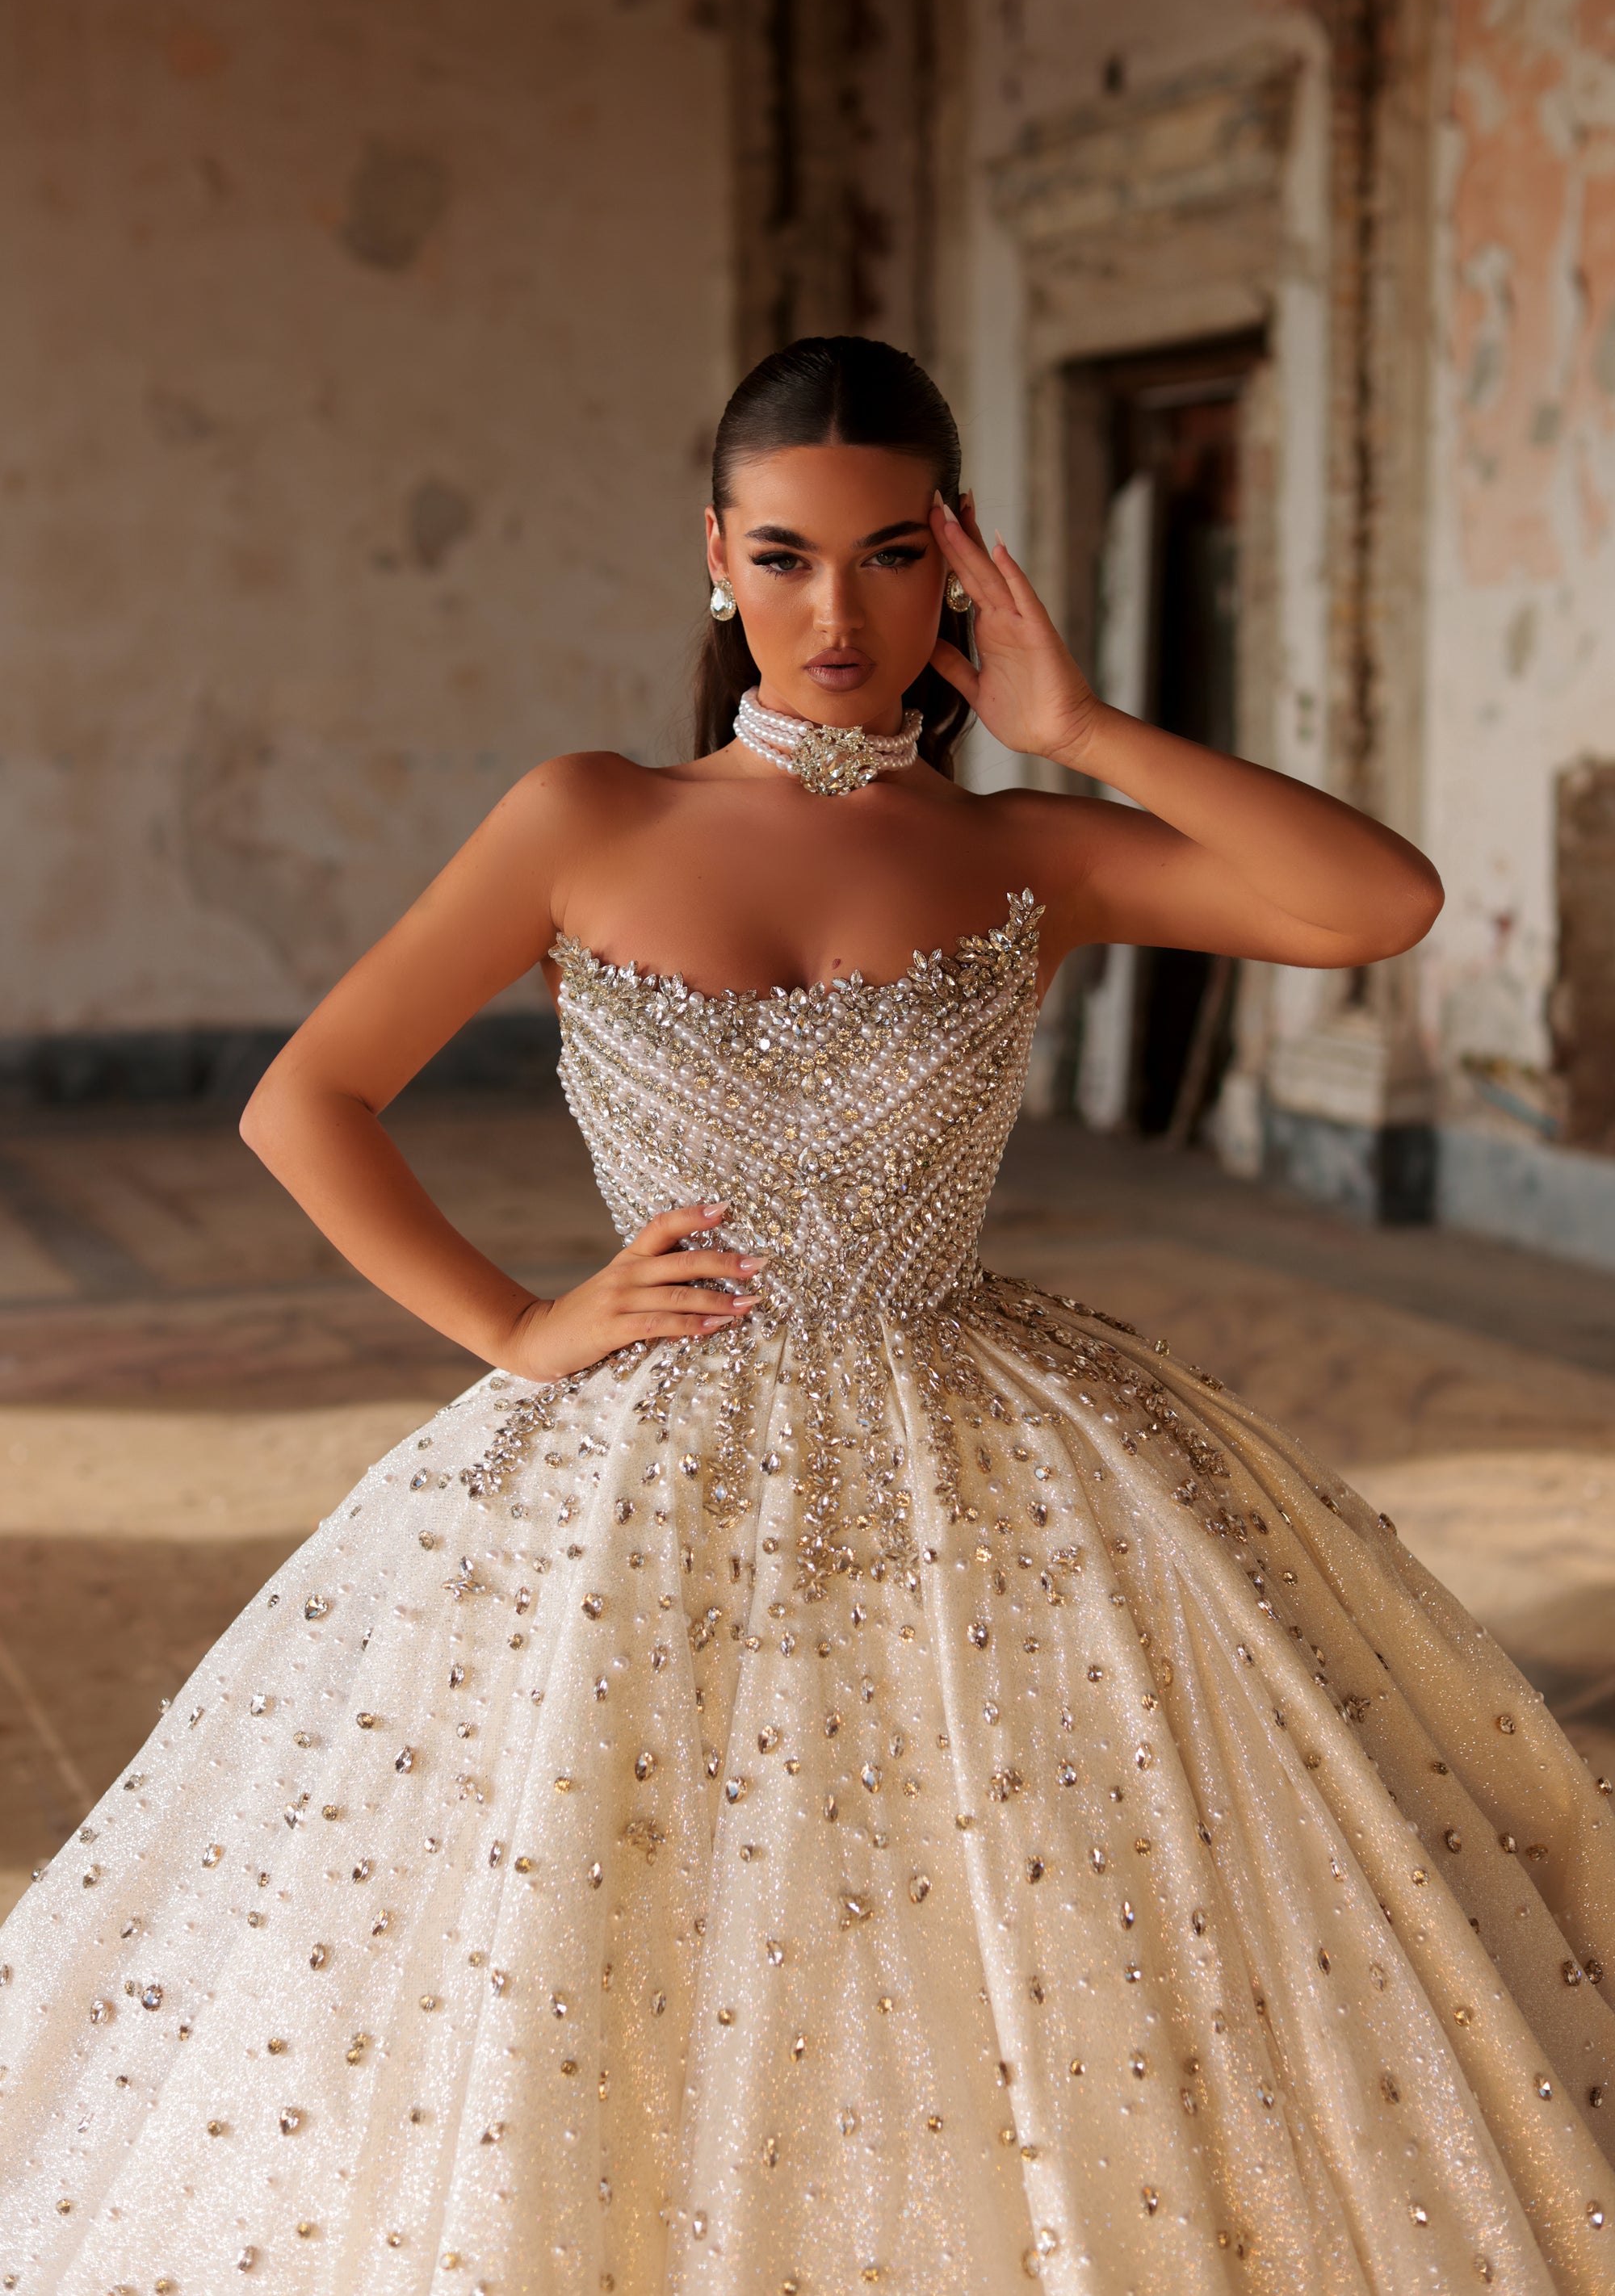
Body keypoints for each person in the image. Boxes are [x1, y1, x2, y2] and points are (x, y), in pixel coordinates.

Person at [1, 337, 1611, 2296]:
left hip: (990, 1468)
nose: (830, 613)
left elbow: (1374, 907)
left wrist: (1084, 722)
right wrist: (515, 1328)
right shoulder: (582, 815)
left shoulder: (1023, 856)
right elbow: (303, 1101)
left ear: (959, 565)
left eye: (884, 555)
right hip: (631, 1490)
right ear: (715, 558)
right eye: (780, 557)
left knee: (1033, 1921)